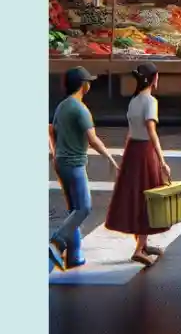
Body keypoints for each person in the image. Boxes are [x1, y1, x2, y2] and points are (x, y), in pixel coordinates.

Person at [49, 67, 120, 271]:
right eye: (88, 81)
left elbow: (51, 130)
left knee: (74, 210)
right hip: (74, 164)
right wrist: (109, 157)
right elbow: (93, 139)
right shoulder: (81, 109)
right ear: (83, 85)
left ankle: (74, 255)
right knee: (84, 208)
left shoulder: (62, 106)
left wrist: (56, 153)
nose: (90, 84)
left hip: (61, 162)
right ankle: (55, 243)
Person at [103, 62, 173, 268]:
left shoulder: (133, 101)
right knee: (147, 197)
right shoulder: (150, 101)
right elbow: (151, 131)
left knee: (135, 196)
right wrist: (162, 161)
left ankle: (143, 243)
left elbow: (131, 130)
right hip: (144, 152)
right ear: (154, 78)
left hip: (132, 149)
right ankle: (139, 249)